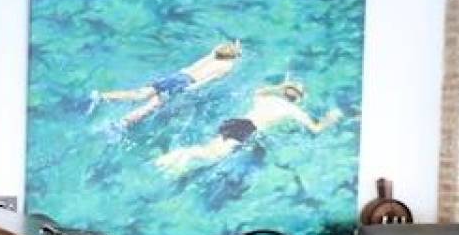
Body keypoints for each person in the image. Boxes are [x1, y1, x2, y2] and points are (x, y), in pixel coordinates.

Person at [153, 81, 341, 176]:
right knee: (214, 156)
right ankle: (179, 157)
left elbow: (259, 90)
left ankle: (174, 161)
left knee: (211, 149)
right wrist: (330, 118)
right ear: (299, 99)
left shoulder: (268, 98)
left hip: (236, 122)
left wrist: (279, 86)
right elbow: (316, 129)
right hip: (247, 129)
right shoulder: (294, 110)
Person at [91, 41, 242, 127]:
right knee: (151, 106)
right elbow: (209, 79)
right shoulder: (227, 66)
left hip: (176, 75)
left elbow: (216, 50)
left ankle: (101, 96)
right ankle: (122, 124)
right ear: (233, 56)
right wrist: (191, 89)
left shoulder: (213, 56)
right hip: (185, 82)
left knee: (139, 94)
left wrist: (235, 46)